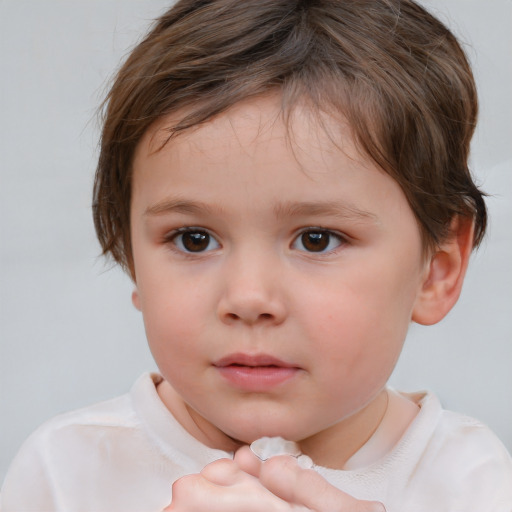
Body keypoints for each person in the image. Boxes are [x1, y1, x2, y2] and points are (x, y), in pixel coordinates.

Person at [1, 0, 511, 510]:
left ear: (437, 270)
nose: (248, 298)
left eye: (317, 239)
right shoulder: (67, 473)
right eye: (193, 239)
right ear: (134, 259)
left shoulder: (473, 483)